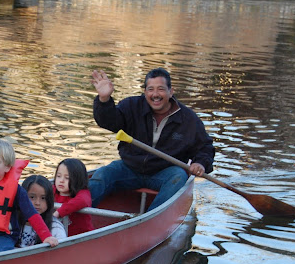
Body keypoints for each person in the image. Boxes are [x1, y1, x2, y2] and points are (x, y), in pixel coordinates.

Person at [89, 68, 215, 211]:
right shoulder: (131, 106)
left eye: (161, 89)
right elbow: (108, 121)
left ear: (171, 91)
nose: (155, 95)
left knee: (179, 177)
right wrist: (104, 100)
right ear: (145, 92)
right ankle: (78, 214)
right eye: (150, 89)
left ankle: (150, 218)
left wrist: (200, 163)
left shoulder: (188, 119)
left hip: (165, 172)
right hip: (130, 168)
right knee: (102, 174)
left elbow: (204, 147)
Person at [18, 175, 67, 247]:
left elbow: (61, 251)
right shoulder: (13, 221)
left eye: (43, 198)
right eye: (32, 197)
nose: (37, 203)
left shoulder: (55, 227)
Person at [52, 158, 94, 236]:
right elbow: (41, 192)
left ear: (77, 180)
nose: (61, 180)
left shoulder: (83, 194)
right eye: (58, 176)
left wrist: (59, 212)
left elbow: (81, 201)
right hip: (59, 235)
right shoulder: (54, 190)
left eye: (67, 178)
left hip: (82, 237)